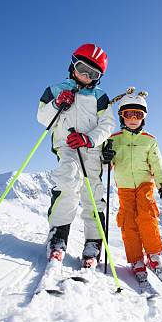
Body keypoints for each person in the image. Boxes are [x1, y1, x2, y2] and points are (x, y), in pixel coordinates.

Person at [37, 43, 116, 268]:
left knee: (93, 193)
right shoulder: (56, 89)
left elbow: (108, 123)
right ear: (72, 65)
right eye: (82, 68)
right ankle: (58, 235)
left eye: (93, 74)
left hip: (91, 150)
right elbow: (42, 117)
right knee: (68, 180)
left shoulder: (100, 97)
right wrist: (57, 103)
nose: (86, 76)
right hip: (67, 146)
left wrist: (89, 138)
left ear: (99, 78)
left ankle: (93, 241)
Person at [103, 87, 162, 282]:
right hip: (124, 188)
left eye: (138, 114)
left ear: (144, 117)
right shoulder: (113, 140)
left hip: (144, 185)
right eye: (128, 114)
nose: (133, 119)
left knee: (146, 216)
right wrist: (105, 157)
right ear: (121, 116)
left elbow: (157, 165)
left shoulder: (150, 141)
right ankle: (136, 260)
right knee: (128, 222)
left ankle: (153, 255)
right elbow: (106, 166)